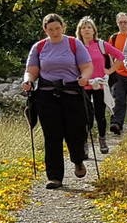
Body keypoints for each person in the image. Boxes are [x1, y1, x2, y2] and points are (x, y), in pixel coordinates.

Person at [22, 14, 94, 189]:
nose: (54, 32)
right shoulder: (39, 47)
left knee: (75, 132)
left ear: (63, 27)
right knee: (52, 136)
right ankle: (54, 177)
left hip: (72, 93)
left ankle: (77, 160)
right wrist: (28, 81)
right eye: (50, 29)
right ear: (45, 30)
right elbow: (31, 71)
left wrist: (84, 78)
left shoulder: (73, 44)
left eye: (57, 28)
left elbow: (87, 67)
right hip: (47, 95)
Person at [76, 17, 124, 154]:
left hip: (99, 85)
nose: (86, 30)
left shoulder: (101, 44)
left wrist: (109, 70)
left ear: (94, 30)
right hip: (83, 86)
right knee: (85, 117)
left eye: (89, 27)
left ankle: (102, 139)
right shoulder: (76, 46)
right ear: (79, 31)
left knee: (100, 115)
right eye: (83, 27)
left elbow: (120, 56)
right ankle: (84, 143)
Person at [107, 12, 127, 134]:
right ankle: (116, 124)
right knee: (118, 99)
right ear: (117, 23)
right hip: (118, 74)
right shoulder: (114, 38)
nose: (123, 24)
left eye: (125, 22)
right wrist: (112, 68)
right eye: (120, 22)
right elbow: (109, 53)